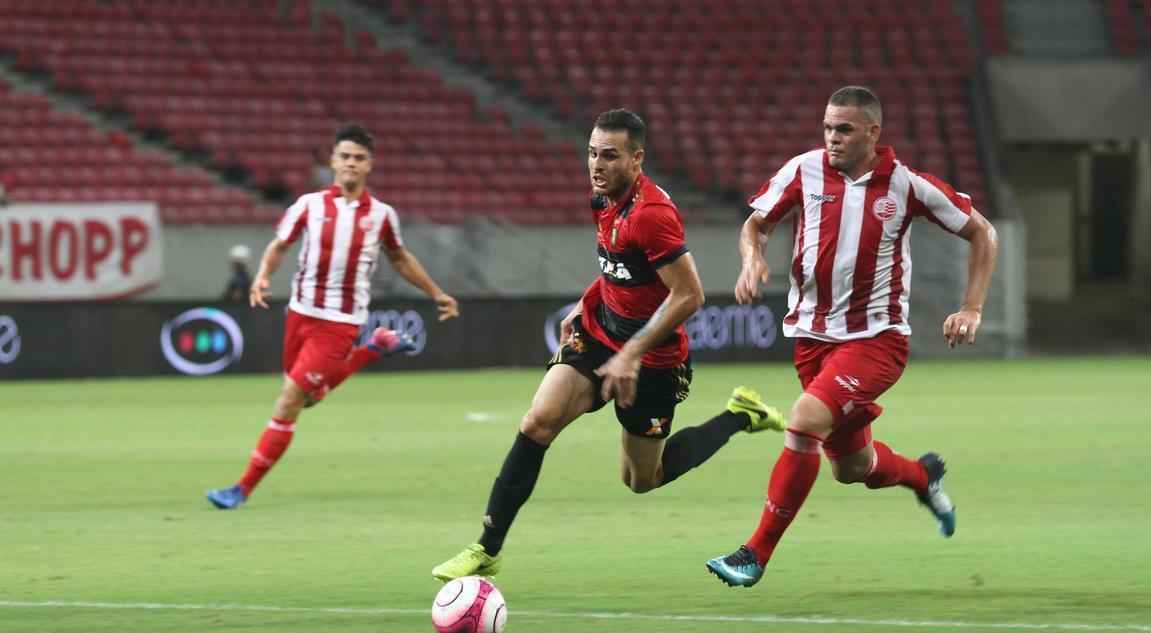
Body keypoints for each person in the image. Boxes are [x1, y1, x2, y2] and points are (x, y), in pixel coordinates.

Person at [431, 108, 785, 582]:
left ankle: (740, 415)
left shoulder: (653, 215)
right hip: (599, 334)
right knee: (538, 422)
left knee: (643, 480)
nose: (597, 165)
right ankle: (487, 547)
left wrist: (631, 355)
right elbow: (616, 269)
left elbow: (690, 295)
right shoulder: (603, 199)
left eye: (610, 156)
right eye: (592, 154)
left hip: (654, 362)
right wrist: (584, 304)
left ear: (637, 160)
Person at [705, 86, 999, 588]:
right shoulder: (804, 170)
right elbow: (756, 225)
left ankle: (754, 553)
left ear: (872, 132)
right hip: (812, 342)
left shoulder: (906, 186)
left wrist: (971, 307)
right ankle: (923, 477)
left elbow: (982, 233)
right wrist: (752, 257)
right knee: (852, 467)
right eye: (826, 128)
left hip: (875, 341)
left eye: (843, 129)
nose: (832, 138)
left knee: (802, 423)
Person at [206, 124, 460, 510]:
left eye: (359, 158)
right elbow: (280, 245)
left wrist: (436, 292)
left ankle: (240, 489)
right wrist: (261, 277)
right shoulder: (308, 205)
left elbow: (400, 258)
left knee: (289, 400)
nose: (351, 164)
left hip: (340, 322)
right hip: (300, 313)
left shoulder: (381, 215)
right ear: (332, 161)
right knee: (307, 399)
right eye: (345, 157)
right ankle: (376, 346)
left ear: (369, 166)